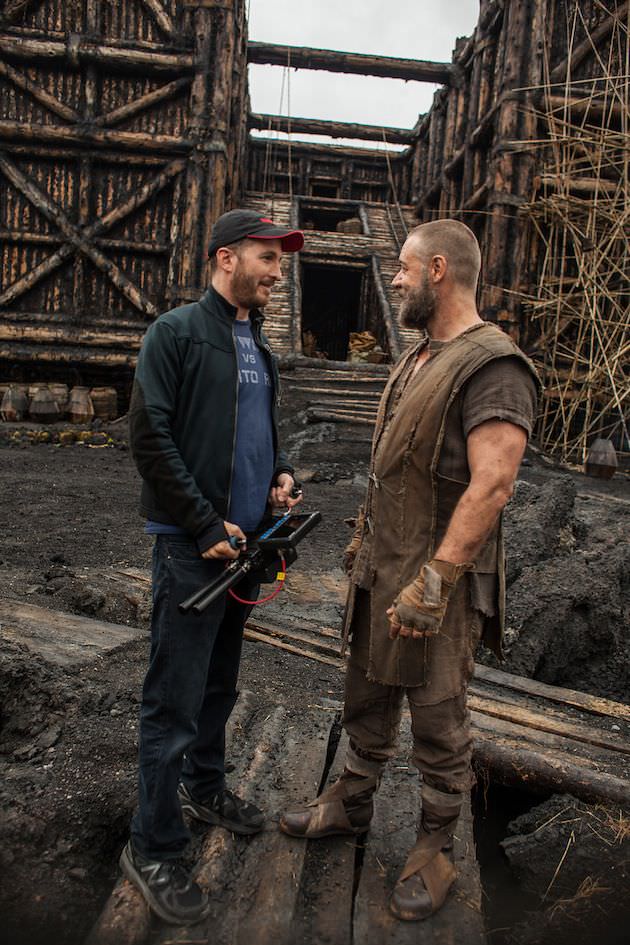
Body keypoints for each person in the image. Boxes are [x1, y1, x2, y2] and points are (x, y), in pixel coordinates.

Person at [279, 220, 539, 922]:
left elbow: (493, 484)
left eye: (402, 266)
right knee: (365, 697)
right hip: (382, 567)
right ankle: (351, 801)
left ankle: (434, 846)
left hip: (439, 588)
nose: (392, 278)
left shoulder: (494, 366)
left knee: (438, 721)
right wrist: (366, 546)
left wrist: (436, 582)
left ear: (439, 271)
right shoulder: (420, 355)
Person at [121, 209, 304, 925]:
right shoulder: (175, 334)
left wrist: (280, 476)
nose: (277, 271)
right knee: (172, 701)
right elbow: (148, 434)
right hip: (192, 549)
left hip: (248, 546)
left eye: (281, 260)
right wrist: (201, 522)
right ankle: (153, 843)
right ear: (225, 258)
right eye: (267, 257)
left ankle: (204, 784)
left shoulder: (258, 342)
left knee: (220, 683)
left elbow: (261, 431)